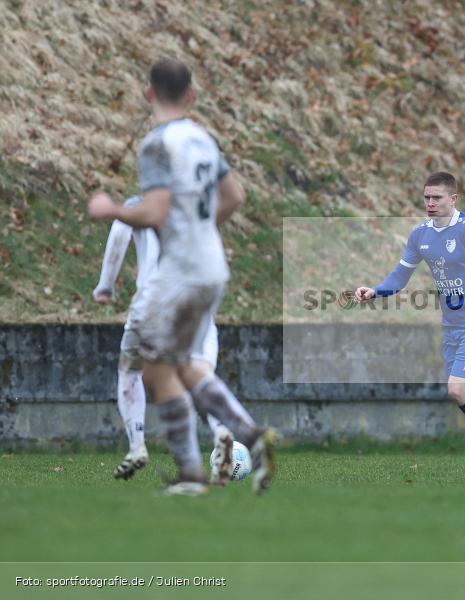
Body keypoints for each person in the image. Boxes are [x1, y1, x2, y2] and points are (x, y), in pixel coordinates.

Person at [88, 58, 275, 495]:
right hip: (212, 267)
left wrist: (110, 209)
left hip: (179, 272)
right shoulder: (203, 139)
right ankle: (251, 437)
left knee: (152, 368)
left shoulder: (157, 144)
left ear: (148, 94)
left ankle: (193, 473)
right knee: (181, 365)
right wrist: (201, 231)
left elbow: (152, 212)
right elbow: (235, 195)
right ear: (190, 97)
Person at [354, 172, 465, 483]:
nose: (430, 203)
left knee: (457, 390)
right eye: (427, 197)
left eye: (437, 198)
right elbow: (400, 277)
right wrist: (376, 291)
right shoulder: (420, 235)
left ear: (453, 199)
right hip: (452, 324)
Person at [92, 201, 235, 484]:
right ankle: (220, 429)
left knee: (129, 370)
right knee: (197, 375)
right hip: (195, 301)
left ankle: (137, 445)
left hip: (153, 303)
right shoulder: (197, 208)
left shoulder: (140, 205)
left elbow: (119, 235)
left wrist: (105, 286)